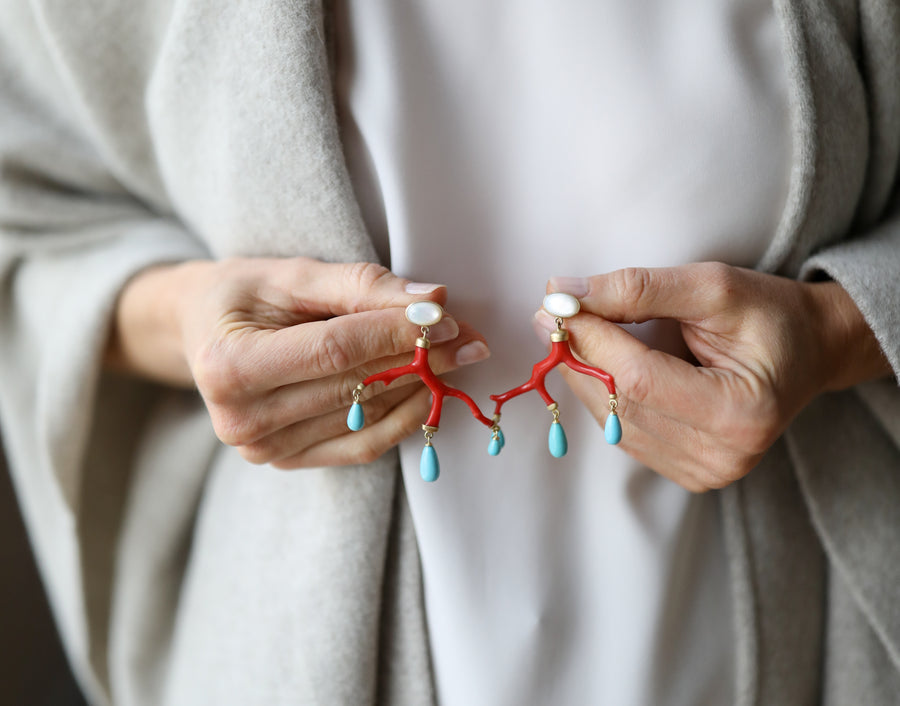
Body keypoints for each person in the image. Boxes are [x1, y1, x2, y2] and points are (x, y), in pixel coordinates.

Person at [0, 1, 898, 705]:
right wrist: (184, 317)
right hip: (294, 657)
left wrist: (836, 335)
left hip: (768, 649)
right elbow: (27, 223)